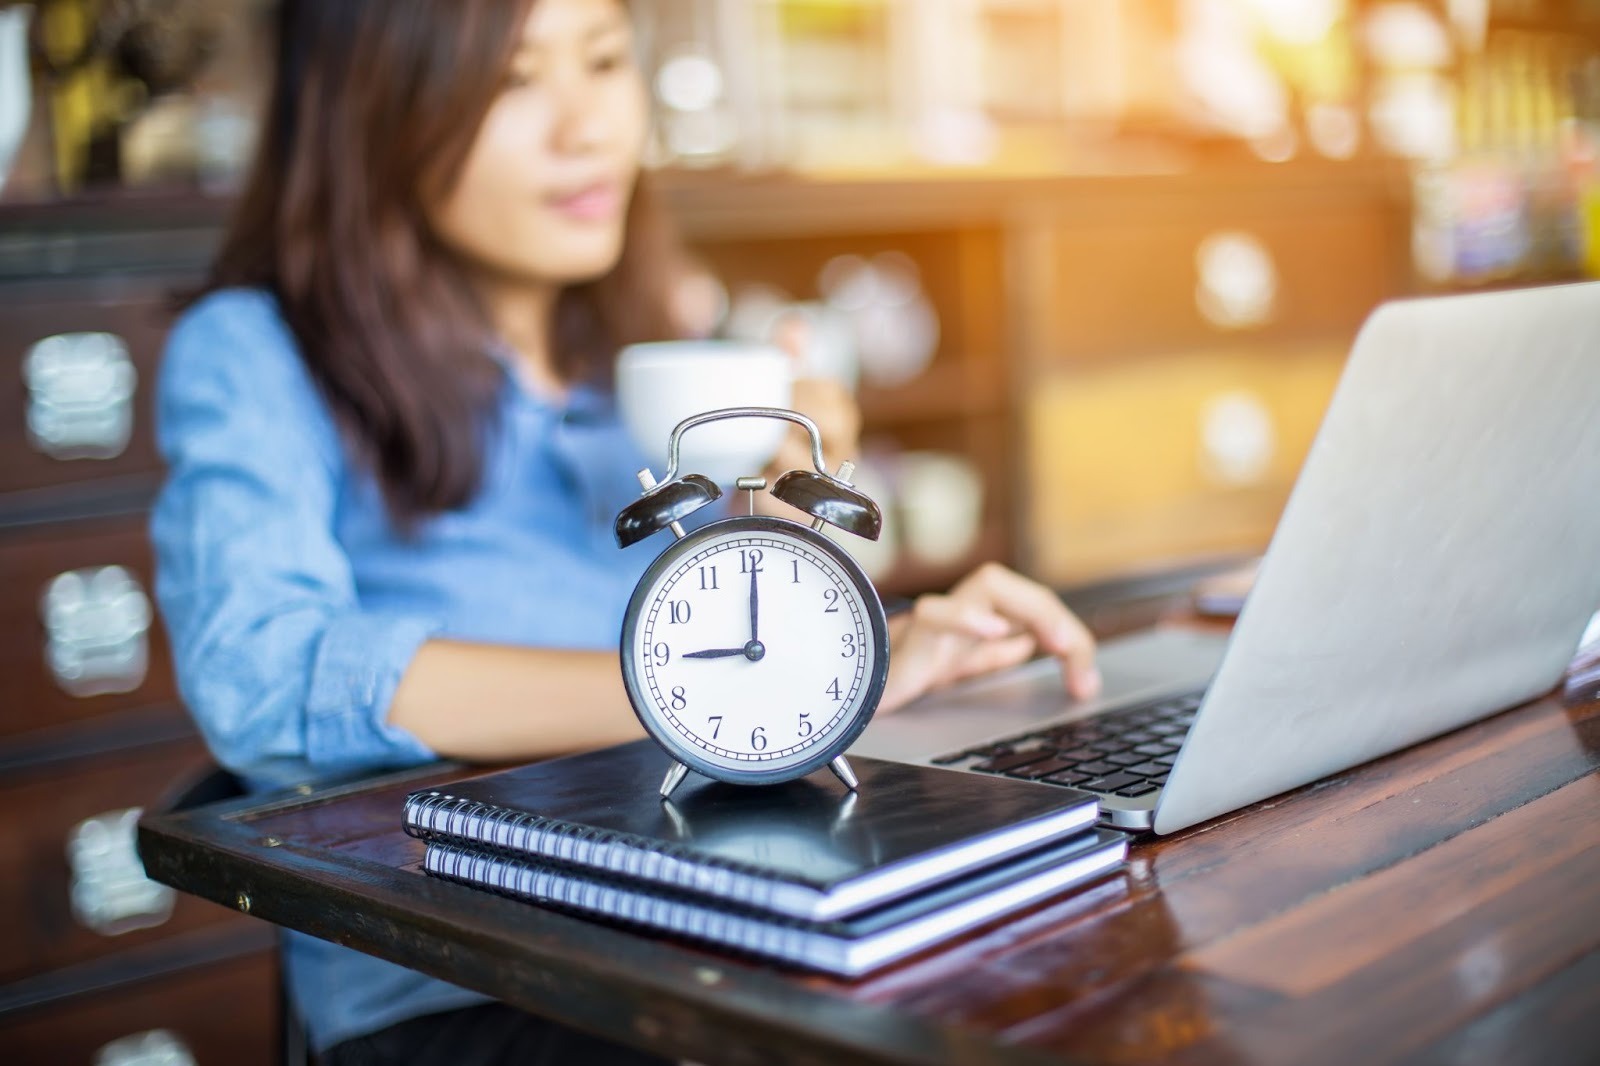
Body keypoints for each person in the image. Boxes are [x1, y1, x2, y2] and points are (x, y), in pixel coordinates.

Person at [150, 0, 1102, 1063]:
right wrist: (708, 694)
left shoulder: (661, 349)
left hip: (715, 923)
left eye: (604, 61)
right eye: (513, 81)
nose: (586, 125)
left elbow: (740, 641)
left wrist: (808, 533)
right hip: (463, 988)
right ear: (372, 110)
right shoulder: (256, 353)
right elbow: (264, 675)